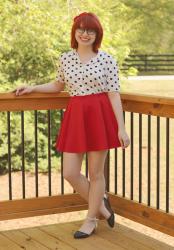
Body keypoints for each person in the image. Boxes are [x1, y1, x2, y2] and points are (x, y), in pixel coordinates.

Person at [13, 12, 130, 239]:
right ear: (74, 31)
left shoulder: (107, 59)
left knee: (96, 174)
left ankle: (91, 219)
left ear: (97, 34)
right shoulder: (65, 58)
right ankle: (102, 205)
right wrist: (33, 87)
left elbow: (114, 94)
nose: (85, 34)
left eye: (91, 30)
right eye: (81, 29)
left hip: (99, 114)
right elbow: (58, 85)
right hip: (76, 115)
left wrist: (121, 127)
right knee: (69, 172)